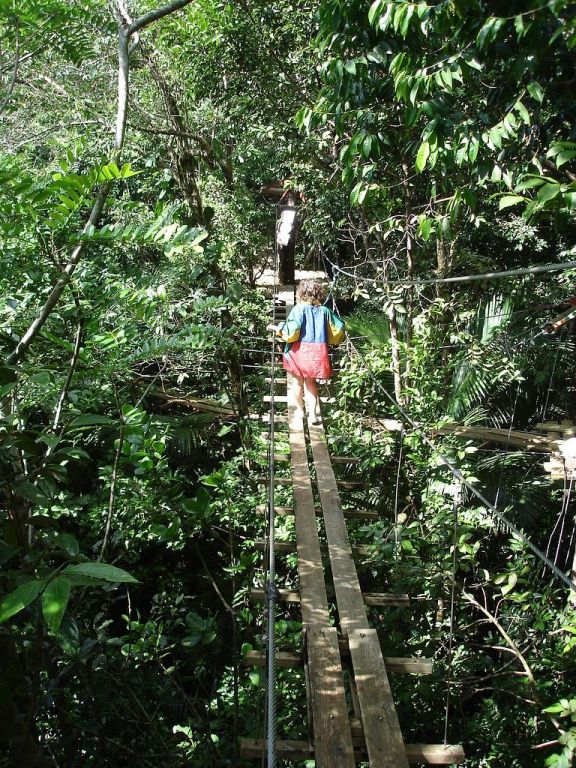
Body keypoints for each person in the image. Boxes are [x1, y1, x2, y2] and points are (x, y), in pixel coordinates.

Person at [267, 279, 345, 423]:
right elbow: (339, 328)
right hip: (317, 353)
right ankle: (313, 414)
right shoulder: (325, 311)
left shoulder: (299, 309)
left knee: (297, 383)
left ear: (301, 293)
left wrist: (276, 328)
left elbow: (291, 333)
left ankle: (300, 411)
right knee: (311, 383)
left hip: (299, 352)